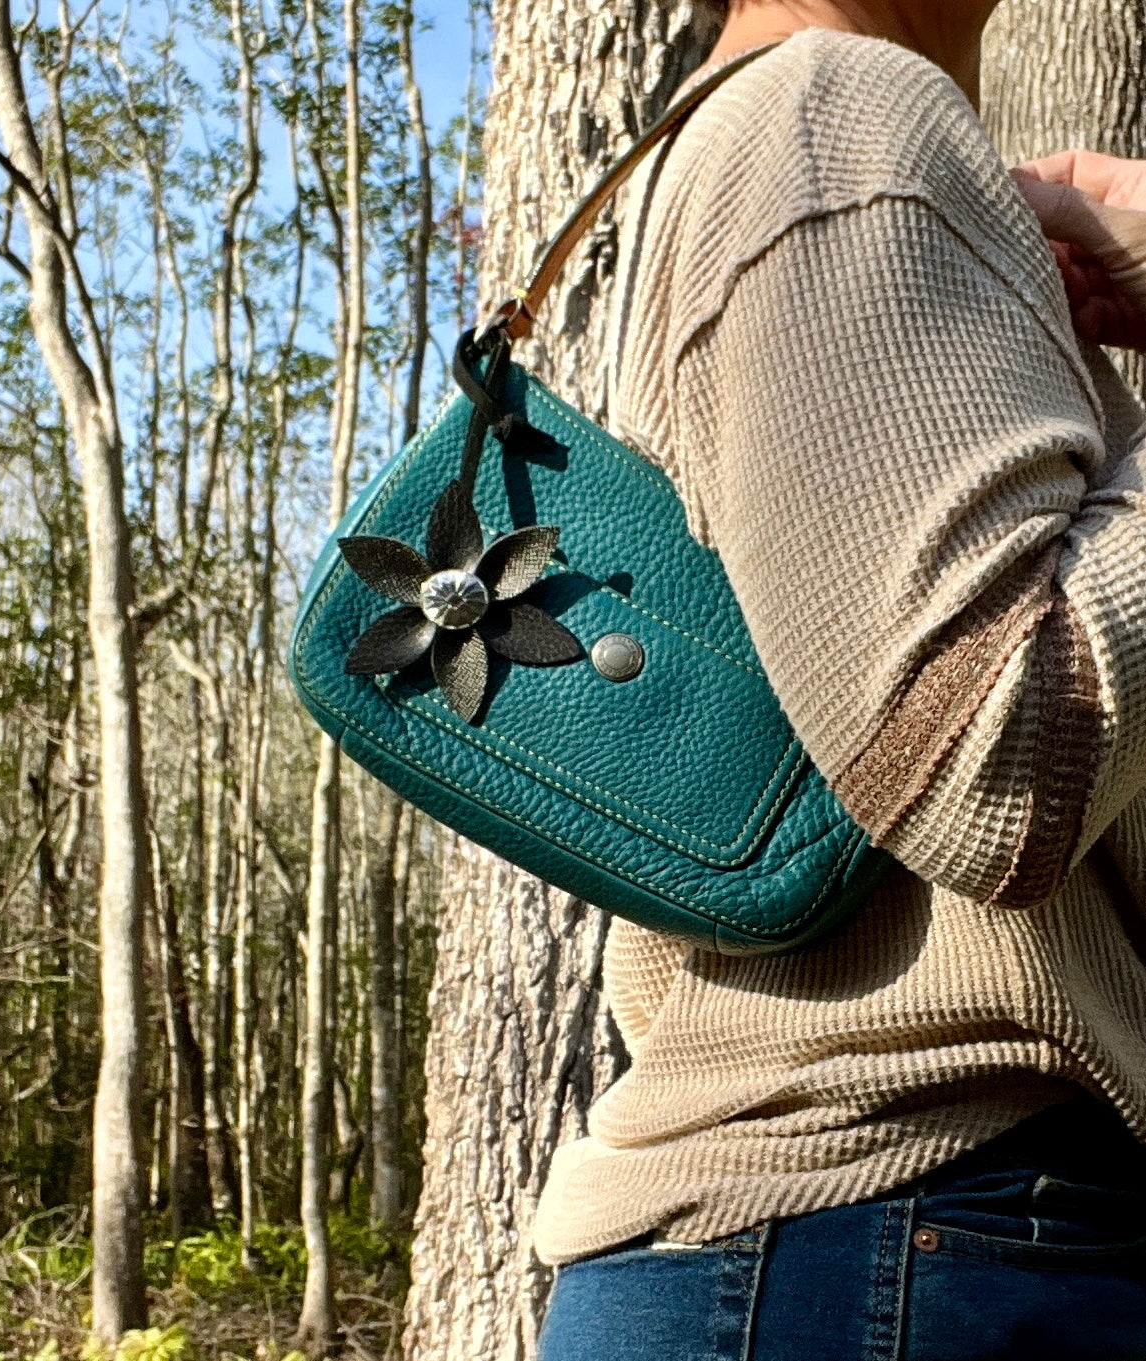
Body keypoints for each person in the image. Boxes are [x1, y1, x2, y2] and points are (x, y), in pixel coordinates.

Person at [532, 3, 1146, 1358]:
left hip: (884, 1251)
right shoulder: (828, 108)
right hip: (897, 1247)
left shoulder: (806, 122)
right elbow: (996, 757)